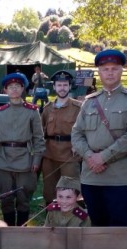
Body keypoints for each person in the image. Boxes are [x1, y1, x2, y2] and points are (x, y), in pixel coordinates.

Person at [71, 49, 127, 227]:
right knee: (97, 225)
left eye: (114, 68)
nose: (110, 72)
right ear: (99, 72)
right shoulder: (89, 102)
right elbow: (76, 133)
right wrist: (90, 156)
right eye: (105, 69)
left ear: (122, 71)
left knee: (123, 227)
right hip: (91, 177)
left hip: (121, 178)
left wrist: (102, 157)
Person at [0, 73, 45, 226]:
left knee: (24, 198)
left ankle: (22, 229)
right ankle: (9, 229)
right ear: (5, 90)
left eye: (17, 86)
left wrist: (36, 160)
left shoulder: (32, 111)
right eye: (10, 87)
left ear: (22, 88)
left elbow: (38, 138)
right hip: (3, 159)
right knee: (6, 198)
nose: (14, 89)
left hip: (24, 159)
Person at [41, 70, 83, 205]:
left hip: (69, 153)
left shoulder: (78, 107)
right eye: (59, 85)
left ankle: (71, 216)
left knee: (70, 187)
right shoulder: (47, 108)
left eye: (65, 85)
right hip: (50, 153)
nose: (62, 88)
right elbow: (41, 130)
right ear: (54, 87)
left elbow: (84, 130)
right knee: (49, 188)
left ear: (70, 86)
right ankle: (52, 215)